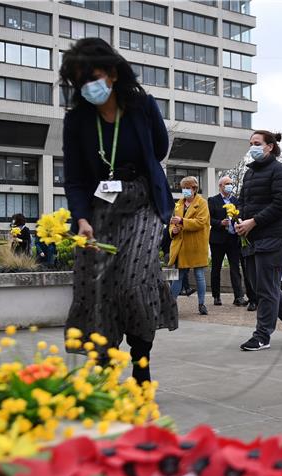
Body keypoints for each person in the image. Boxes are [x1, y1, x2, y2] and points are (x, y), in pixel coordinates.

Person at [60, 37, 178, 384]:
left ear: (112, 73)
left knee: (134, 281)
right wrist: (81, 219)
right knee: (95, 286)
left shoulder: (142, 106)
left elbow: (158, 148)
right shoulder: (76, 121)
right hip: (100, 207)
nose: (88, 85)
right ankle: (104, 365)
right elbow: (75, 178)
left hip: (142, 200)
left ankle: (141, 362)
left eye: (92, 76)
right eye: (80, 80)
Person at [235, 131, 282, 351]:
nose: (252, 147)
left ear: (270, 147)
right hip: (253, 236)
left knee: (266, 288)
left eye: (257, 143)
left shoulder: (281, 171)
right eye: (251, 144)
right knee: (261, 286)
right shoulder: (249, 174)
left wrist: (253, 221)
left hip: (275, 236)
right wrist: (239, 219)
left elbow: (280, 204)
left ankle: (262, 335)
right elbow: (243, 201)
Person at [169, 176, 210, 315]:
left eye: (188, 188)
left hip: (196, 245)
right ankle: (171, 304)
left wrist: (181, 221)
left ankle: (201, 304)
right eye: (183, 188)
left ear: (194, 188)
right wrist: (173, 231)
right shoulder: (179, 204)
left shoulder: (202, 203)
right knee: (178, 276)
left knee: (199, 275)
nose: (185, 191)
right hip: (181, 245)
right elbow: (172, 222)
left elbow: (201, 222)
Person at [208, 175, 248, 307]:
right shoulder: (213, 200)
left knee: (235, 268)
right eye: (227, 183)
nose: (229, 185)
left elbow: (241, 216)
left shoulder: (236, 201)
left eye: (231, 183)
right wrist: (219, 223)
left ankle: (239, 296)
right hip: (218, 240)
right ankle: (216, 296)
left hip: (233, 239)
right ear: (220, 186)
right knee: (216, 268)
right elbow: (208, 219)